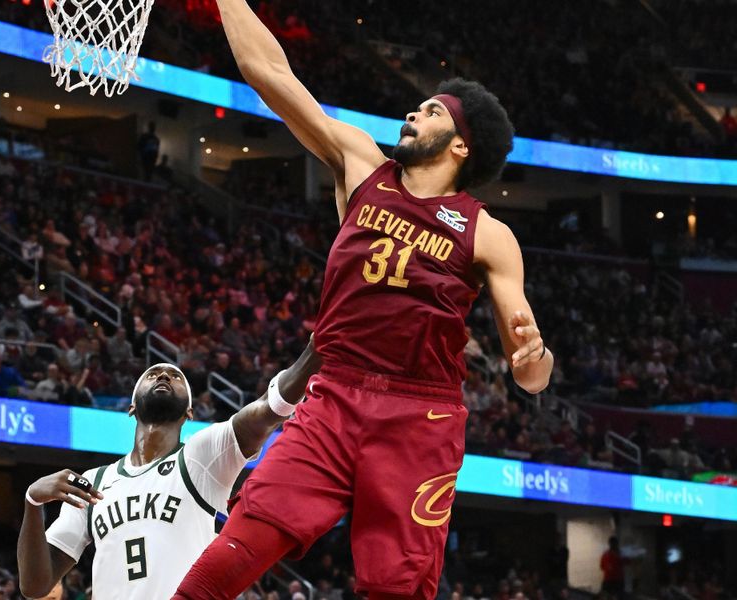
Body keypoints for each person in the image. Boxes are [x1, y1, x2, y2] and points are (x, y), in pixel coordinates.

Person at [174, 1, 553, 599]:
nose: (413, 112)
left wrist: (534, 358)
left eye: (431, 112)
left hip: (419, 416)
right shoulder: (361, 166)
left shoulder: (488, 233)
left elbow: (529, 377)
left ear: (460, 146)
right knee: (244, 537)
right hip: (334, 396)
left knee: (395, 587)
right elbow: (269, 72)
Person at [17, 341, 321, 600]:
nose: (163, 374)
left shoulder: (201, 455)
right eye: (152, 374)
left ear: (189, 412)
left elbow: (266, 409)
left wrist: (313, 351)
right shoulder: (93, 483)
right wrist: (32, 502)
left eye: (174, 376)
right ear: (132, 406)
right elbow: (35, 586)